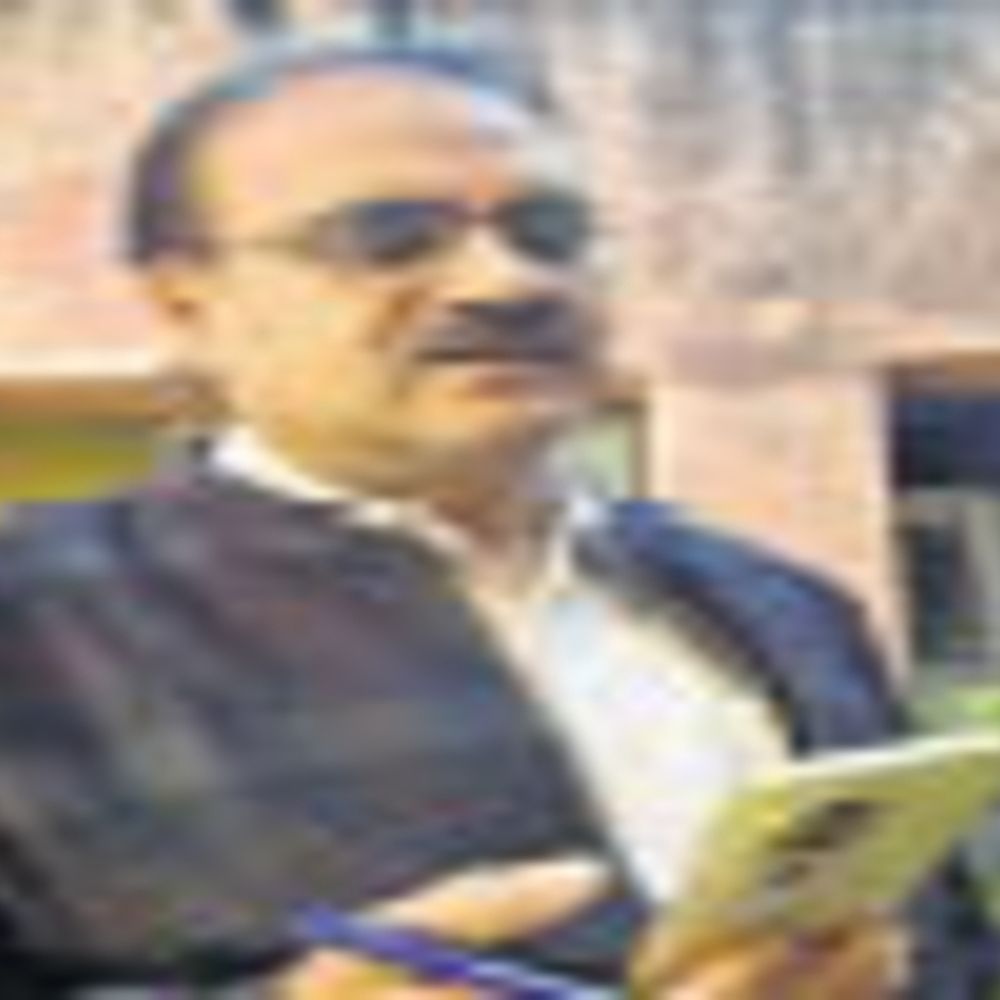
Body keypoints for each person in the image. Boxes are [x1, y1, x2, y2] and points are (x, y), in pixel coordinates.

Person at [0, 40, 992, 998]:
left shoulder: (781, 606)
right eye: (388, 238)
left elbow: (949, 944)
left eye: (549, 232)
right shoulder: (37, 622)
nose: (507, 281)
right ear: (187, 303)